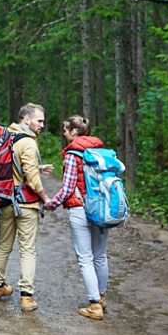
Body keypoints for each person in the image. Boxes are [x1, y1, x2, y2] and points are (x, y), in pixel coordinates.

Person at [0, 102, 52, 312]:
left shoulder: (7, 137)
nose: (42, 124)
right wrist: (44, 198)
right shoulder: (29, 143)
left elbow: (15, 167)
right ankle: (26, 297)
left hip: (5, 200)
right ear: (27, 120)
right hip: (26, 203)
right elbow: (32, 179)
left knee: (4, 245)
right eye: (39, 120)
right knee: (27, 250)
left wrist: (39, 167)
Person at [44, 115, 109, 320]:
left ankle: (94, 305)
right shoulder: (100, 151)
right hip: (101, 208)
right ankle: (102, 296)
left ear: (74, 132)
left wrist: (52, 204)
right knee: (100, 255)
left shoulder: (73, 154)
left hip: (80, 208)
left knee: (85, 257)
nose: (64, 135)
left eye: (65, 131)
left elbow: (68, 187)